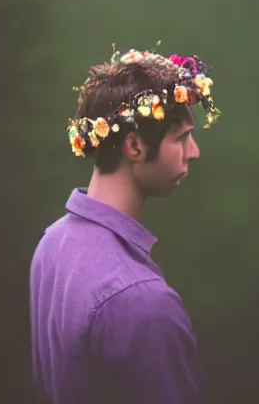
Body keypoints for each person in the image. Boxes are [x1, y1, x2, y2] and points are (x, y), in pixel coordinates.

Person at [30, 43, 221, 404]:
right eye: (181, 137)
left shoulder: (50, 245)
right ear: (133, 146)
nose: (193, 152)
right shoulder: (143, 301)